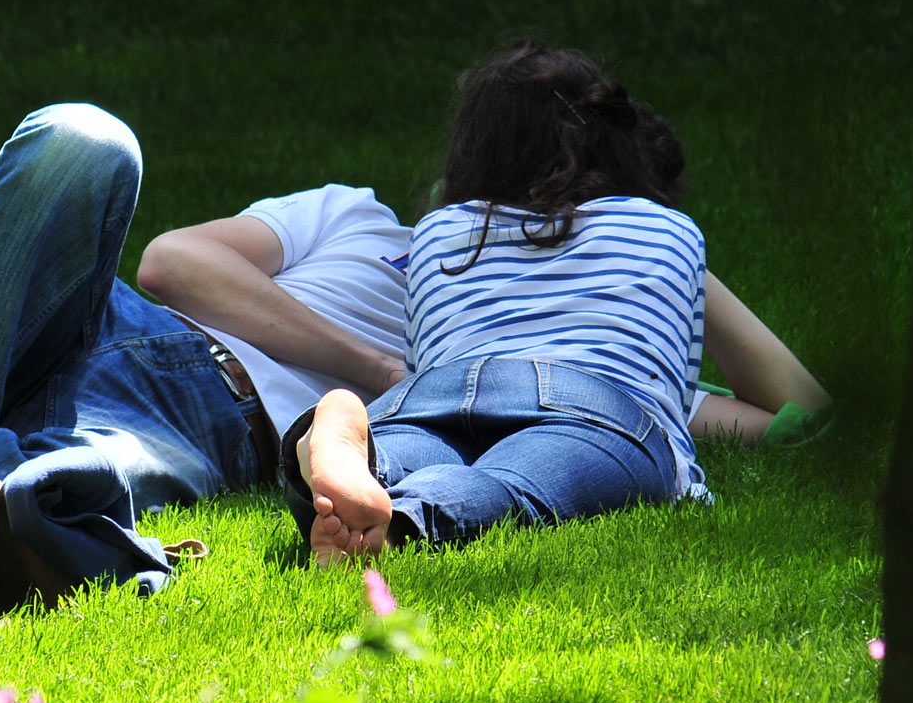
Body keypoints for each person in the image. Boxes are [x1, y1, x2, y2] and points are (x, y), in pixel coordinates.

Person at [0, 92, 828, 595]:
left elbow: (786, 415)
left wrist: (682, 263)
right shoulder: (359, 224)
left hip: (191, 427)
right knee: (85, 137)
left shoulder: (554, 353)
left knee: (71, 479)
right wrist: (390, 377)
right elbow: (172, 264)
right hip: (121, 328)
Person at [289, 43, 752, 559]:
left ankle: (356, 447)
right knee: (516, 480)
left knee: (409, 448)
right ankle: (398, 527)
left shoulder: (441, 231)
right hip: (594, 401)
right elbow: (671, 384)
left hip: (440, 392)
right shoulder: (668, 230)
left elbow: (421, 361)